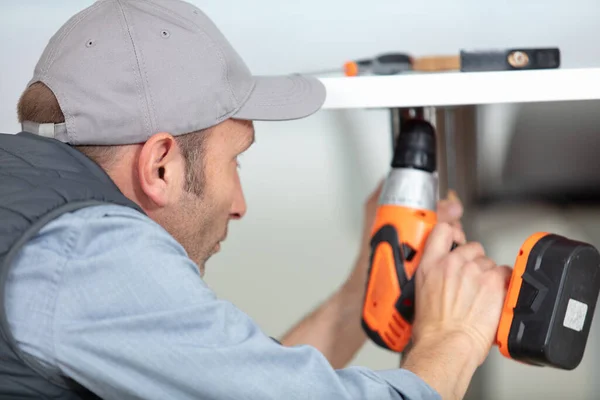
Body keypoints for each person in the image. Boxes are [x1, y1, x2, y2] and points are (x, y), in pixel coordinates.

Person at [0, 0, 511, 399]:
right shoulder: (88, 256)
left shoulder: (37, 215)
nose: (241, 203)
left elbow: (235, 382)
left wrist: (363, 287)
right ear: (160, 165)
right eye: (235, 161)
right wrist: (455, 336)